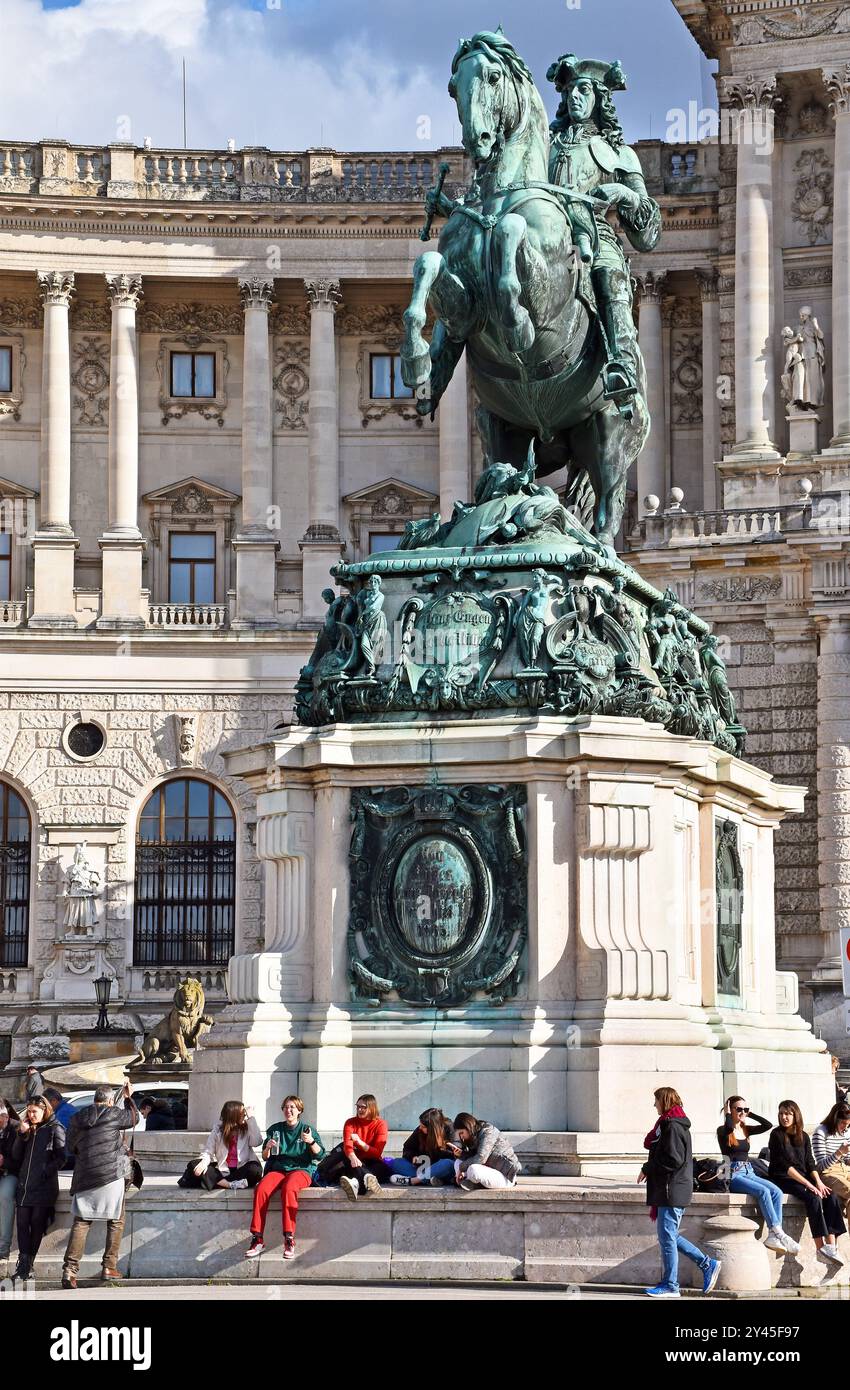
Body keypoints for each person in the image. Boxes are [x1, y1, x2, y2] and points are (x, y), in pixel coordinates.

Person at [640, 1086, 721, 1299]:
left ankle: (671, 1285)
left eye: (656, 1100)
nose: (654, 1105)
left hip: (672, 1189)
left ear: (664, 1101)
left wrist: (648, 1168)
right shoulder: (671, 1125)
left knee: (667, 1237)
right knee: (668, 1236)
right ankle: (707, 1264)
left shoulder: (673, 1127)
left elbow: (672, 1159)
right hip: (671, 1188)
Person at [61, 1081, 138, 1289]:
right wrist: (129, 1097)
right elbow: (134, 1118)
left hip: (85, 1174)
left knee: (82, 1221)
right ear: (110, 1101)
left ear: (95, 1098)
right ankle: (109, 1267)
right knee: (116, 1220)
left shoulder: (77, 1117)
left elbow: (70, 1147)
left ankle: (69, 1271)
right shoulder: (114, 1114)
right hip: (111, 1175)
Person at [246, 1096, 324, 1262]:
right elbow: (266, 1157)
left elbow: (320, 1154)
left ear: (299, 1111)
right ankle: (257, 1238)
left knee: (289, 1189)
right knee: (261, 1189)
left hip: (301, 1170)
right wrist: (267, 1148)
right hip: (279, 1169)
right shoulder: (276, 1129)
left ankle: (289, 1238)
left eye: (292, 1108)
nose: (289, 1111)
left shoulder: (307, 1129)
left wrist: (310, 1142)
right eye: (286, 1107)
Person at [768, 1099, 846, 1265]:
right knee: (813, 1198)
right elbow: (785, 1166)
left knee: (829, 1195)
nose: (784, 1117)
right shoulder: (776, 1135)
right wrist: (809, 1185)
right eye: (781, 1113)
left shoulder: (803, 1136)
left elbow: (810, 1162)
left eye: (788, 1113)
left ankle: (831, 1246)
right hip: (783, 1177)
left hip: (803, 1176)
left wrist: (819, 1183)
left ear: (795, 1115)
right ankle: (819, 1248)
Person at [717, 1096, 798, 1254]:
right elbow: (727, 1127)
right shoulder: (723, 1130)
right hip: (732, 1173)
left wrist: (749, 1113)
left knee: (776, 1192)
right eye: (738, 1109)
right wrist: (727, 1114)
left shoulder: (745, 1129)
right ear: (729, 1110)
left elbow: (767, 1125)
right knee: (763, 1191)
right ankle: (777, 1232)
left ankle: (775, 1234)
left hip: (749, 1171)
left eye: (744, 1109)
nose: (742, 1112)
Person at [12, 1094, 65, 1281]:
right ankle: (23, 1265)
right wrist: (21, 1134)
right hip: (25, 1185)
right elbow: (16, 1156)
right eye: (29, 1111)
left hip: (44, 1186)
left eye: (35, 1111)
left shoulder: (55, 1128)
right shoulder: (28, 1129)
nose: (31, 1114)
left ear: (45, 1110)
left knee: (36, 1223)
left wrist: (45, 1171)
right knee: (21, 1223)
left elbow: (61, 1157)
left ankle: (28, 1266)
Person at [180, 1101, 263, 1191]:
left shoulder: (247, 1128)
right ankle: (228, 1184)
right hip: (224, 1171)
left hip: (242, 1169)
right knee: (194, 1164)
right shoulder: (218, 1130)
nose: (245, 1115)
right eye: (242, 1113)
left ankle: (213, 1182)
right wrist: (203, 1163)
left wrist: (252, 1118)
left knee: (255, 1169)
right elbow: (208, 1152)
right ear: (234, 1115)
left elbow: (257, 1142)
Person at [386, 1108, 460, 1187]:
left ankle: (413, 1181)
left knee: (447, 1163)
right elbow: (407, 1148)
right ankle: (432, 1179)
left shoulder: (450, 1129)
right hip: (422, 1168)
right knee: (396, 1163)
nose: (420, 1128)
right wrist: (413, 1157)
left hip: (440, 1168)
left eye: (423, 1126)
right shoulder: (420, 1130)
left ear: (433, 1128)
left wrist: (449, 1151)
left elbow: (455, 1158)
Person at [337, 1094, 389, 1201]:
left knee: (383, 1168)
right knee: (356, 1165)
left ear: (372, 1108)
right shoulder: (350, 1122)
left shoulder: (381, 1124)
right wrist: (352, 1157)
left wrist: (360, 1143)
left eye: (363, 1107)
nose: (360, 1109)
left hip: (373, 1161)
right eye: (358, 1106)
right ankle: (365, 1181)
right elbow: (347, 1145)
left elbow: (377, 1153)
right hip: (355, 1160)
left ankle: (355, 1183)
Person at [452, 1112, 521, 1190]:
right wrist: (462, 1154)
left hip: (506, 1176)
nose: (461, 1137)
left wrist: (461, 1168)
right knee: (458, 1162)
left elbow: (481, 1158)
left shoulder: (488, 1131)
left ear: (468, 1126)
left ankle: (470, 1182)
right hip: (489, 1170)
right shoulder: (475, 1136)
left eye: (462, 1133)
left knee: (473, 1170)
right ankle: (469, 1182)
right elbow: (474, 1157)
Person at [813, 1101, 850, 1225]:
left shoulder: (846, 1132)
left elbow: (847, 1160)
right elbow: (821, 1165)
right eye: (843, 1123)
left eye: (848, 1124)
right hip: (828, 1172)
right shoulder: (821, 1132)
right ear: (835, 1119)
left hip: (845, 1169)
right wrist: (839, 1152)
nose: (845, 1127)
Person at [0, 1098, 20, 1276]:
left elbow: (20, 1158)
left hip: (11, 1172)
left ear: (5, 1116)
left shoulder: (15, 1128)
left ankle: (3, 1249)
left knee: (5, 1196)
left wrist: (4, 1161)